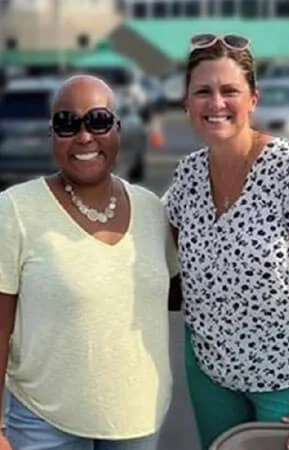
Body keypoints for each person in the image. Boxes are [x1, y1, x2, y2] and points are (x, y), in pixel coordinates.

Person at [165, 34, 289, 450]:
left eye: (230, 91)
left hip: (284, 377)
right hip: (210, 372)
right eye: (203, 92)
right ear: (186, 104)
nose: (216, 104)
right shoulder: (186, 178)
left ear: (252, 100)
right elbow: (167, 263)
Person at [0, 75, 178, 450]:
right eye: (67, 123)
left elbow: (182, 294)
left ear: (118, 129)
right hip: (43, 423)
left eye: (98, 120)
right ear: (52, 134)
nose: (84, 136)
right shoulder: (15, 209)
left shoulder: (152, 209)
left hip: (137, 419)